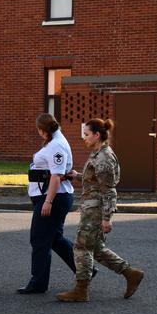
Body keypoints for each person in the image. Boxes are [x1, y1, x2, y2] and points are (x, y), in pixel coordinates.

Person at [56, 118, 144, 302]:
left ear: (97, 135)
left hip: (95, 210)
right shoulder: (98, 153)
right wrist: (77, 176)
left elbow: (109, 190)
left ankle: (81, 290)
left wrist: (107, 218)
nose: (84, 138)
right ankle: (130, 273)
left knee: (81, 247)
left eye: (87, 135)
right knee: (94, 247)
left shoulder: (103, 158)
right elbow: (95, 181)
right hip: (92, 207)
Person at [17, 113, 77, 294]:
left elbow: (56, 176)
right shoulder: (56, 141)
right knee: (55, 239)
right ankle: (85, 270)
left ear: (43, 131)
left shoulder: (56, 145)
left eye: (39, 131)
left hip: (53, 197)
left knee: (39, 239)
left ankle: (38, 282)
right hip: (52, 196)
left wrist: (48, 202)